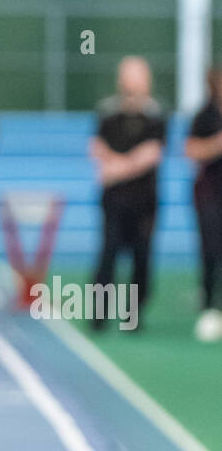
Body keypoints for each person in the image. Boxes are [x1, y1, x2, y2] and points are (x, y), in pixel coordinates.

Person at [89, 56, 166, 331]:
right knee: (108, 254)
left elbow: (151, 154)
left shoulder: (156, 115)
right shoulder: (108, 113)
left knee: (141, 257)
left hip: (144, 200)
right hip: (113, 200)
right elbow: (96, 147)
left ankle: (133, 316)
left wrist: (117, 168)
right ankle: (99, 315)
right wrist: (116, 164)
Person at [184, 67, 222, 343]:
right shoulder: (204, 116)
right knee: (210, 250)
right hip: (210, 194)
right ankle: (209, 304)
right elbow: (191, 150)